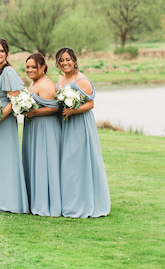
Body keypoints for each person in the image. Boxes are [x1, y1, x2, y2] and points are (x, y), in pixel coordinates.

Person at [56, 47, 110, 218]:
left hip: (80, 124)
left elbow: (91, 104)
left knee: (79, 162)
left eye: (68, 59)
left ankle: (84, 202)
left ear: (74, 60)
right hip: (66, 124)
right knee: (68, 163)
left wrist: (73, 111)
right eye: (62, 60)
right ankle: (71, 201)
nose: (65, 63)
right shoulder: (60, 79)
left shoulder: (81, 80)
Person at [0, 38, 29, 214]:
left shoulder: (7, 72)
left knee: (6, 159)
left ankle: (10, 202)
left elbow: (14, 99)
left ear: (7, 54)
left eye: (2, 51)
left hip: (4, 121)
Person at [21, 52, 62, 217]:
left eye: (33, 67)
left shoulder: (46, 84)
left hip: (45, 128)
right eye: (28, 67)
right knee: (35, 161)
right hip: (34, 127)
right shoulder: (34, 83)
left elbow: (54, 108)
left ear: (43, 67)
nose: (30, 70)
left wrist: (34, 114)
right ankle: (36, 200)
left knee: (45, 162)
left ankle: (47, 203)